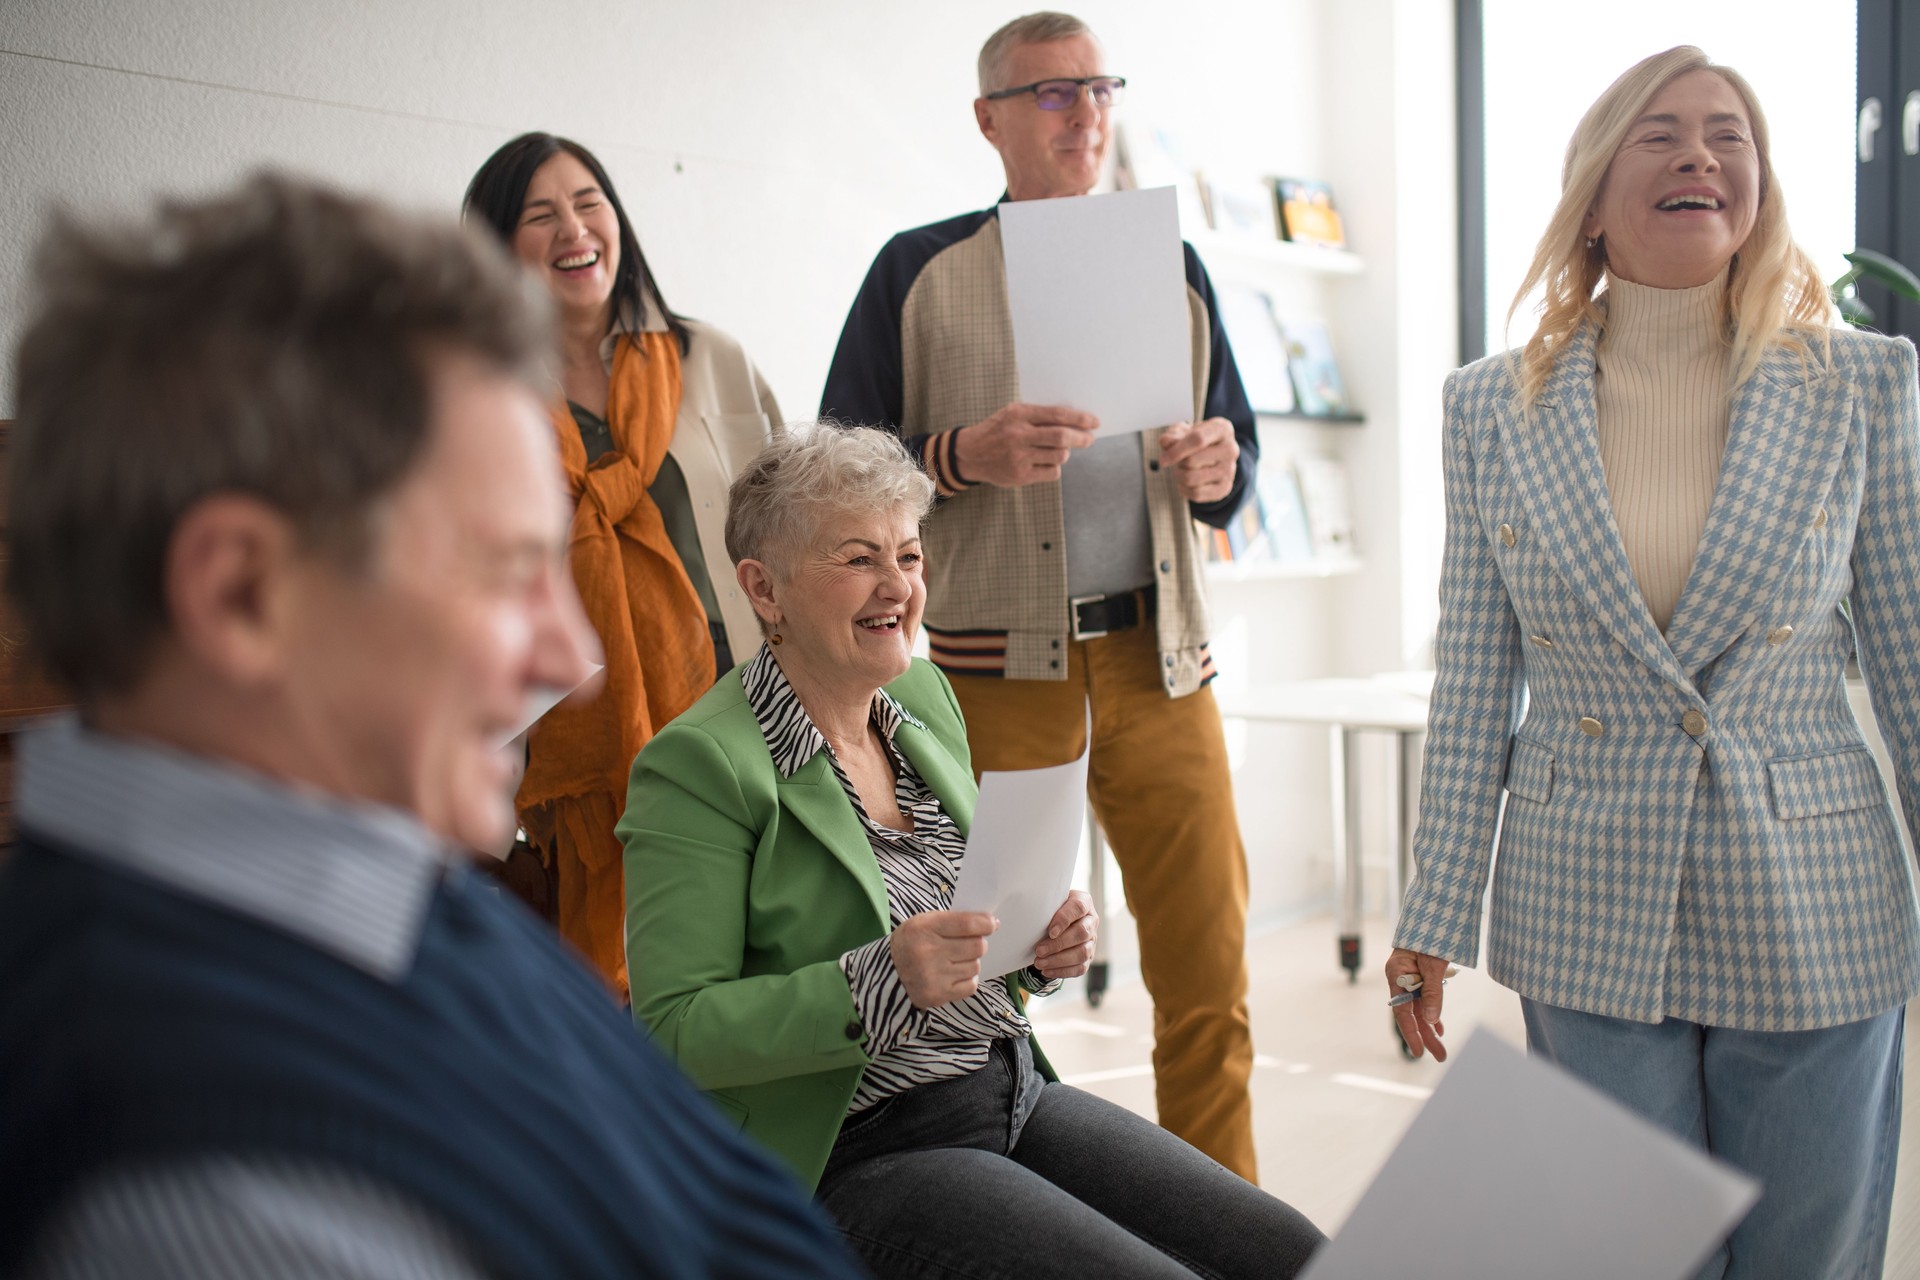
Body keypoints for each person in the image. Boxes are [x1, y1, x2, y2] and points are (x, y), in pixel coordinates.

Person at [0, 175, 860, 1280]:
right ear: (243, 595)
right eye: (509, 570)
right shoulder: (210, 1178)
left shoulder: (383, 884)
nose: (572, 660)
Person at [1390, 46, 1920, 1280]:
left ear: (1760, 179)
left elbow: (1909, 656)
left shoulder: (1863, 385)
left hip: (1818, 894)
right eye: (1661, 134)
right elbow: (1473, 676)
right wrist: (1433, 910)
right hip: (1583, 892)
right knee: (1626, 1253)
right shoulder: (1489, 406)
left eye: (1728, 133)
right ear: (1593, 191)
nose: (1700, 155)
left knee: (1808, 1255)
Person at [620, 424, 1324, 1278]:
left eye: (909, 556)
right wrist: (880, 980)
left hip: (1009, 1088)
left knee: (1302, 1257)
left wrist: (1035, 953)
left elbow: (964, 935)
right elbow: (673, 1033)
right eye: (858, 559)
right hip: (856, 1151)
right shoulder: (700, 765)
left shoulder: (921, 690)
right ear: (763, 588)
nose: (899, 587)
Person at [818, 9, 1264, 1181]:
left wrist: (1221, 471)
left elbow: (1236, 465)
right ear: (989, 121)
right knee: (984, 977)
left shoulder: (1175, 264)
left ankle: (1229, 1234)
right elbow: (833, 475)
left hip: (1163, 665)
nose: (1085, 112)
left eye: (1099, 88)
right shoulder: (917, 271)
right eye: (1052, 94)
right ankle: (1006, 1217)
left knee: (1210, 975)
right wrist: (959, 456)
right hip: (984, 676)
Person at [464, 132, 780, 999]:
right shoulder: (470, 400)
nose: (574, 228)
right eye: (540, 214)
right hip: (579, 769)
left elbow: (792, 525)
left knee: (771, 968)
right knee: (638, 999)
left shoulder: (706, 358)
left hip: (746, 722)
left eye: (589, 201)